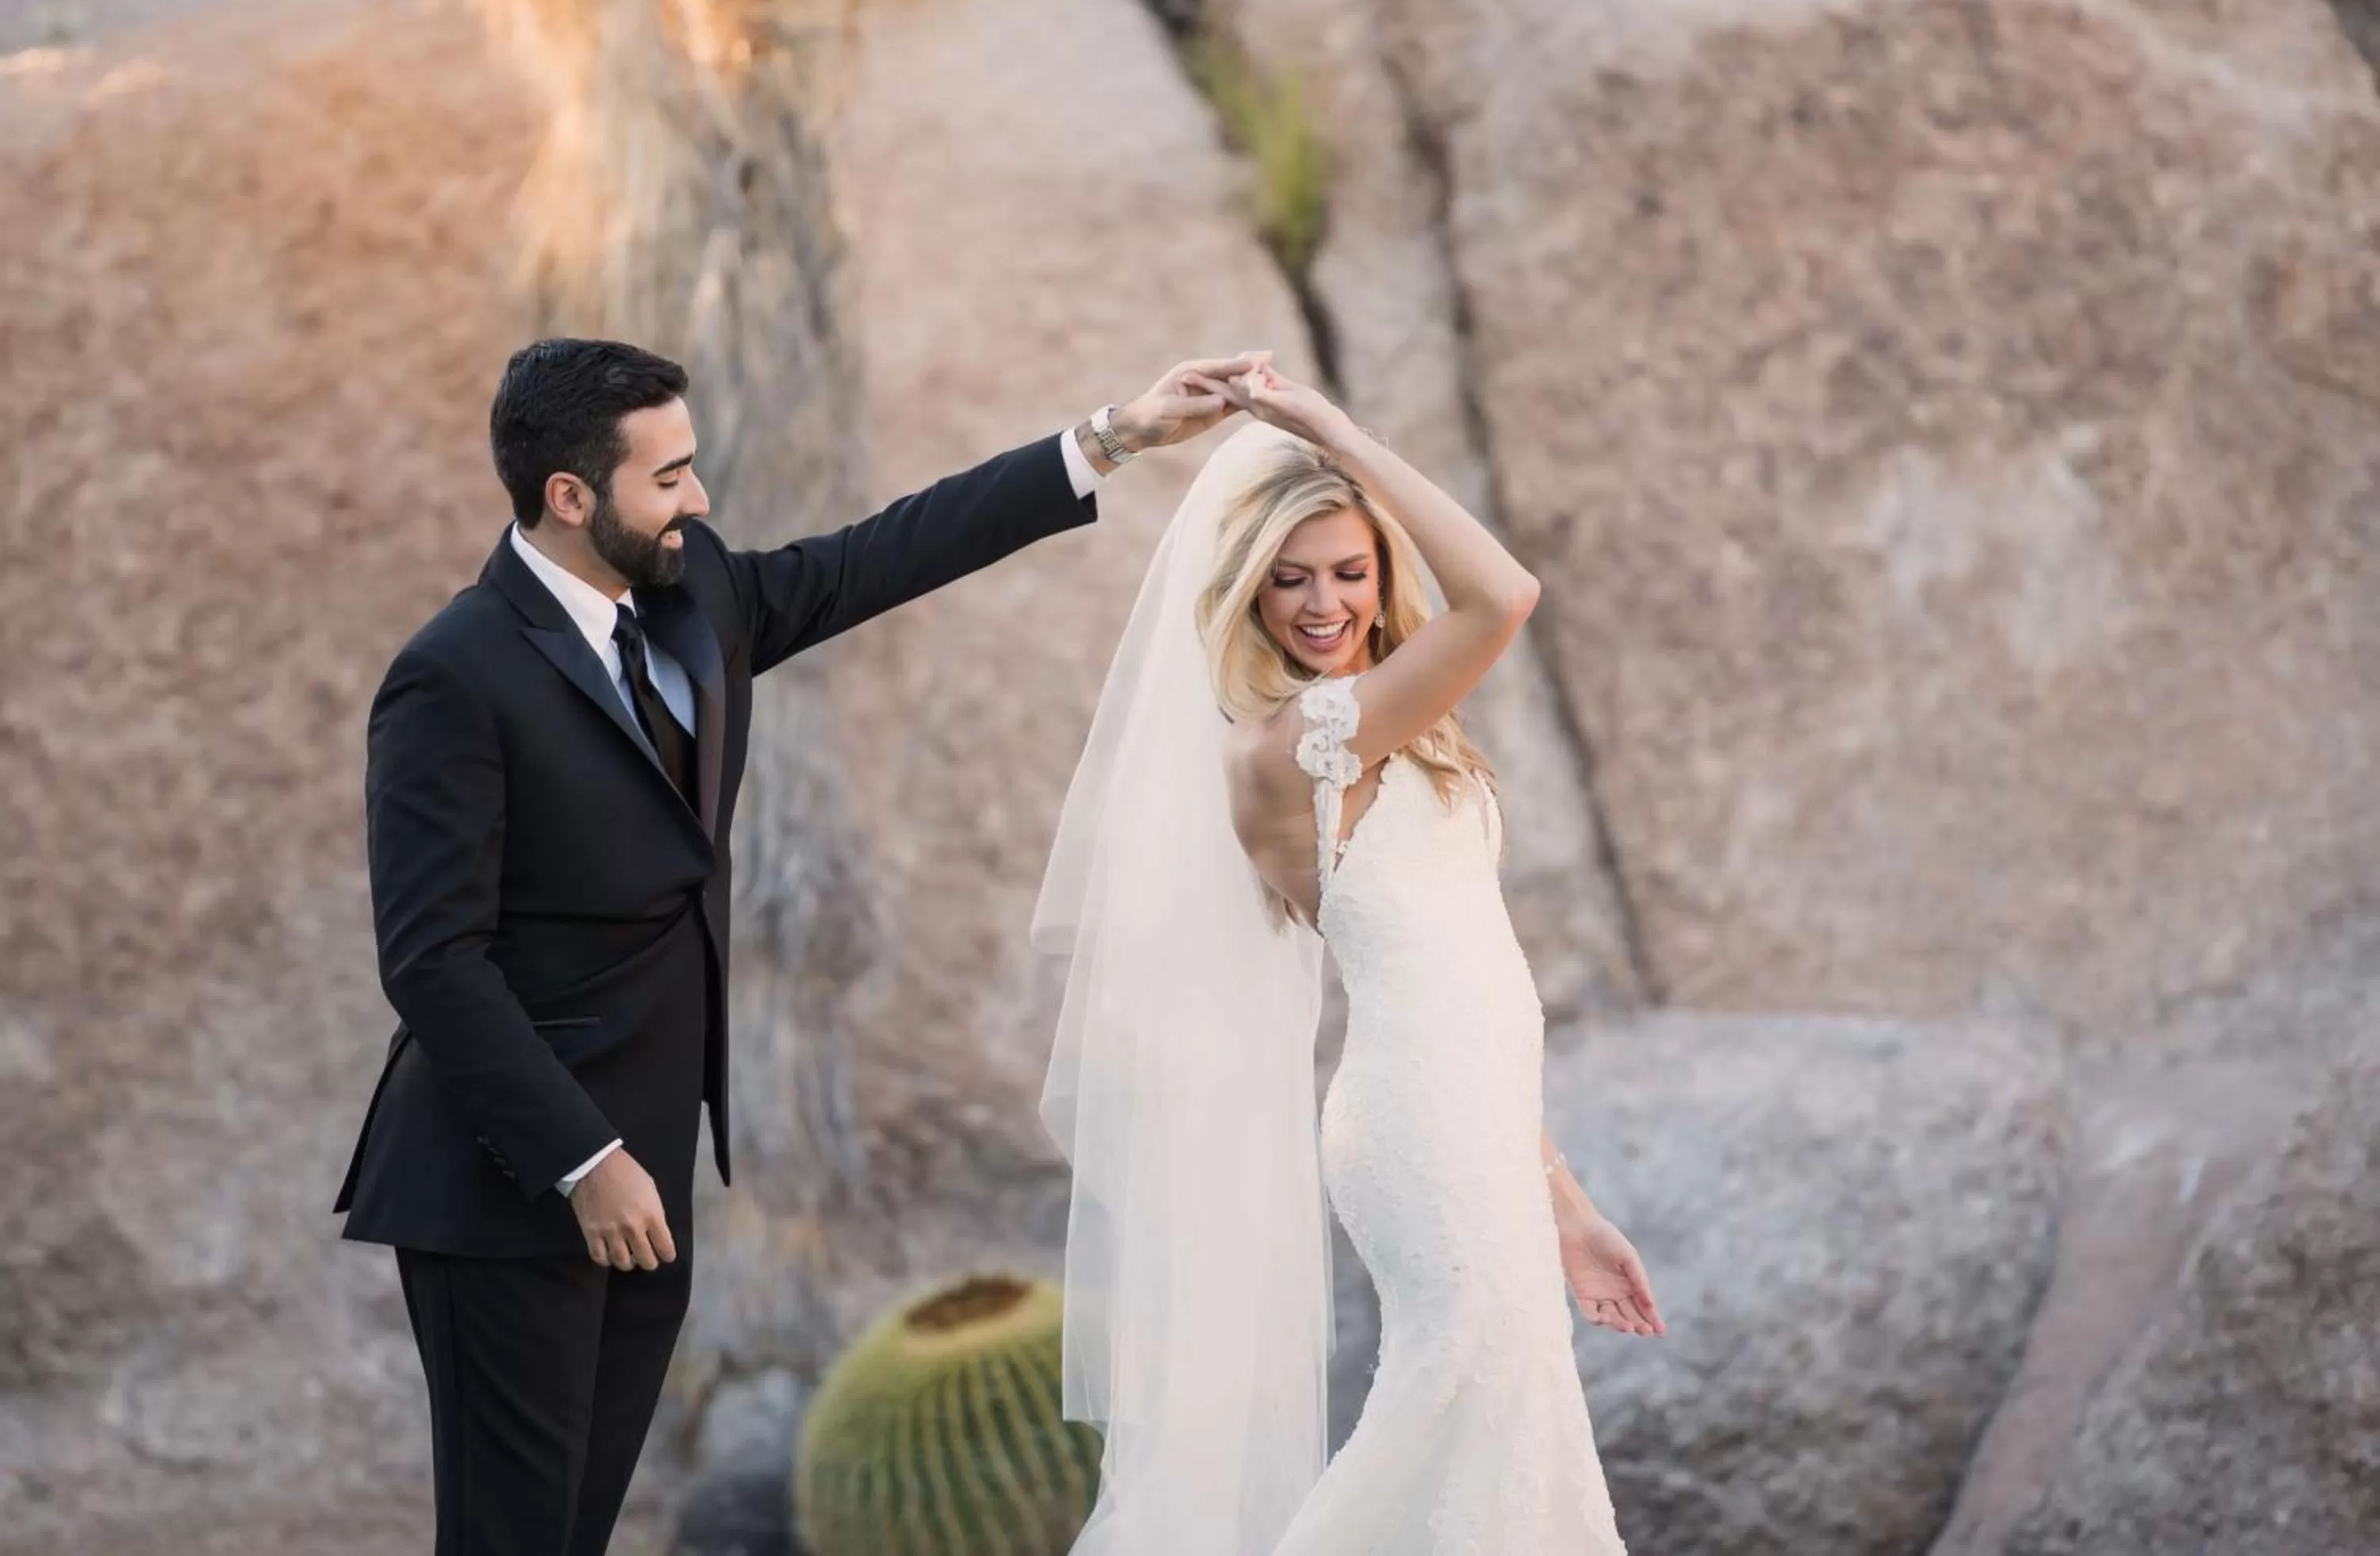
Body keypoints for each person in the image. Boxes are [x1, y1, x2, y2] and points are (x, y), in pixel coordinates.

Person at [333, 336, 1265, 1555]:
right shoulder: (450, 677)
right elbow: (431, 961)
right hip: (507, 1185)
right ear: (569, 496)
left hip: (650, 1170)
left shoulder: (696, 594)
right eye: (668, 477)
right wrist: (582, 1158)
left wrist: (1113, 436)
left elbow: (884, 553)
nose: (699, 497)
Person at [1035, 363, 1662, 1554]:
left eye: (1348, 572)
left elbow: (1470, 998)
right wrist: (1328, 429)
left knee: (1507, 1406)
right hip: (1411, 1128)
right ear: (1248, 592)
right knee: (1451, 1391)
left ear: (1382, 580)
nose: (1322, 603)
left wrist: (1568, 1207)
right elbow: (1506, 594)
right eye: (1289, 577)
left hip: (1480, 1118)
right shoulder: (1293, 746)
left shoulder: (1401, 722)